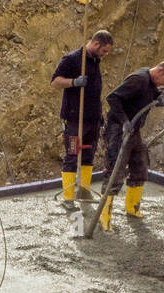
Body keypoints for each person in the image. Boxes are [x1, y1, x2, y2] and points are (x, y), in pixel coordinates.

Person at [99, 60, 164, 231]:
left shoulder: (151, 83)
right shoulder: (138, 79)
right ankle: (104, 216)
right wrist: (124, 121)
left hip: (134, 132)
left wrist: (161, 95)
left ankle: (132, 208)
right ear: (159, 71)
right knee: (116, 170)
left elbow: (155, 91)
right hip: (118, 131)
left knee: (140, 166)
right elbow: (112, 98)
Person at [51, 31, 115, 210]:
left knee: (89, 155)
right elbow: (55, 82)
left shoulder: (95, 60)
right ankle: (68, 198)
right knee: (72, 156)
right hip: (74, 119)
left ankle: (83, 191)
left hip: (93, 119)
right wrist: (73, 82)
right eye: (105, 51)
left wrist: (99, 115)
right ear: (95, 44)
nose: (106, 54)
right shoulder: (72, 59)